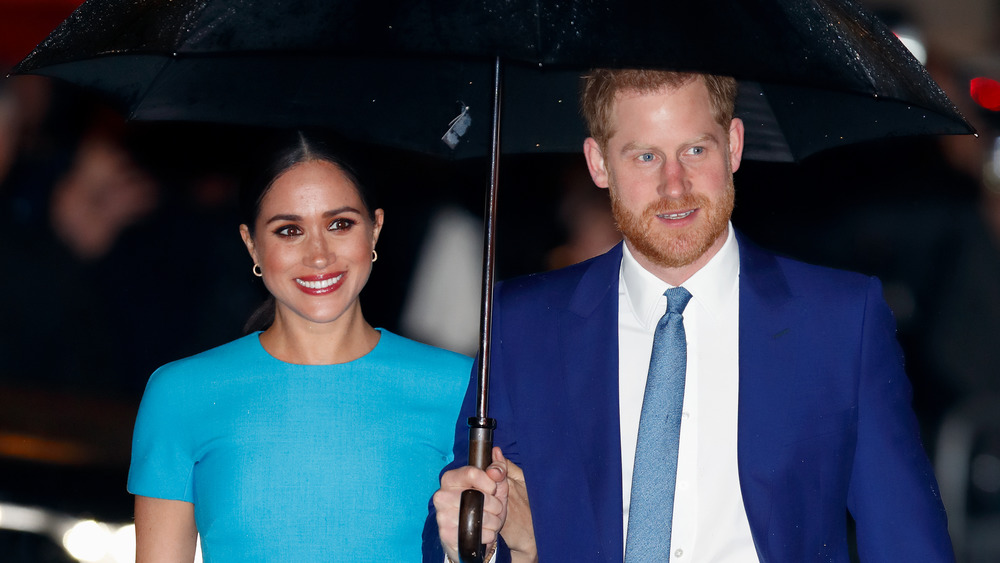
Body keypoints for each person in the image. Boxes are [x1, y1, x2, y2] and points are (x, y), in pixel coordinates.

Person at [426, 70, 954, 562]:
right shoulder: (523, 325)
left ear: (735, 146)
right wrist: (481, 541)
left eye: (695, 149)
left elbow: (908, 541)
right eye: (645, 157)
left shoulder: (839, 320)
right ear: (599, 164)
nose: (674, 186)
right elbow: (455, 530)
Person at [127, 131, 472, 562]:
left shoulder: (462, 387)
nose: (319, 255)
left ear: (375, 229)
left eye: (340, 224)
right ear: (251, 243)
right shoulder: (181, 393)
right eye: (289, 230)